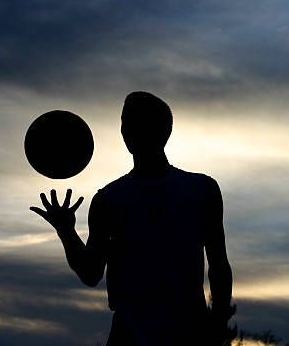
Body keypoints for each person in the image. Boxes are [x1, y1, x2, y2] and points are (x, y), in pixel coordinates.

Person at [30, 91, 233, 345]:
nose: (127, 130)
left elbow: (219, 265)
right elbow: (91, 273)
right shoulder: (107, 200)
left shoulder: (202, 190)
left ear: (163, 131)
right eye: (125, 122)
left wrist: (218, 321)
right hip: (129, 333)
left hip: (188, 330)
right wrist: (66, 232)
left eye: (135, 122)